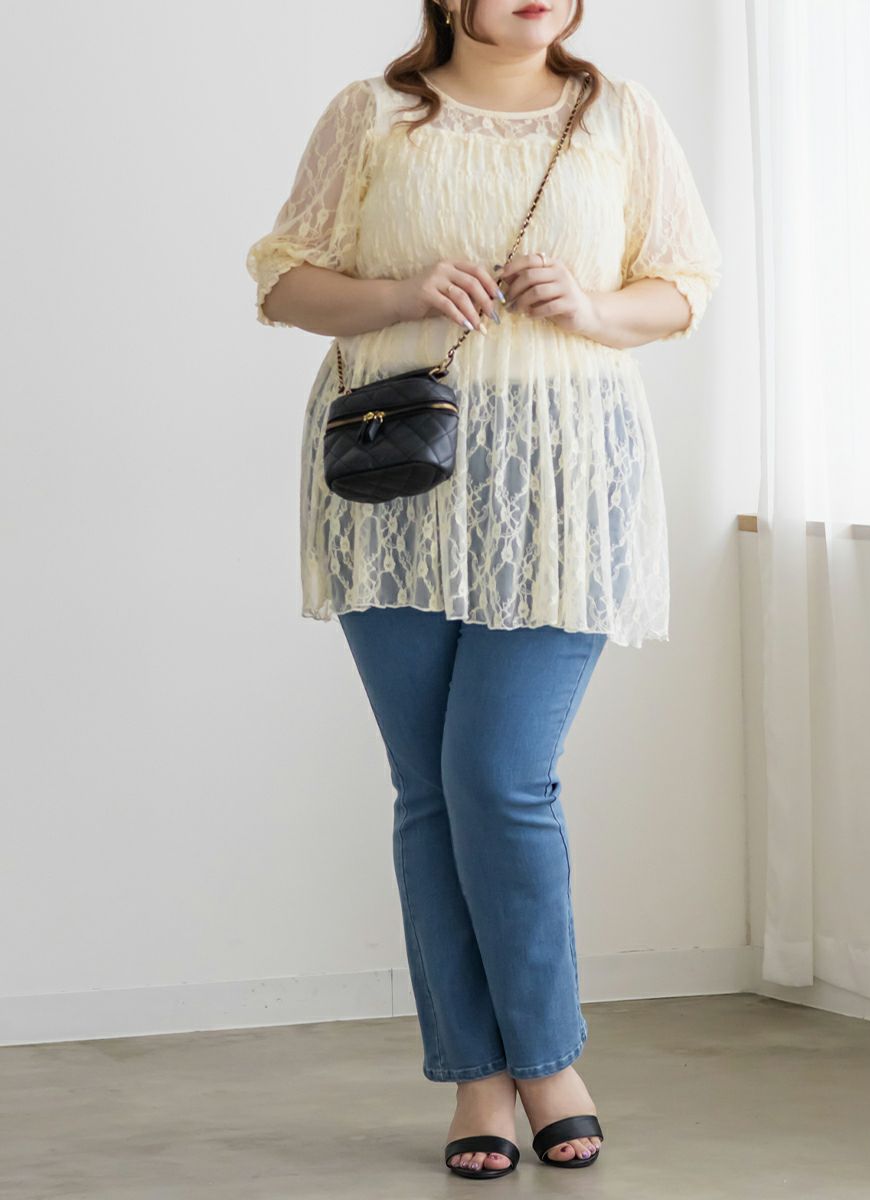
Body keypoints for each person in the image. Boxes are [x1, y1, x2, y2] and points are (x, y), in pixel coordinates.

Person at [245, 0, 721, 1181]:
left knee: (498, 778)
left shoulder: (620, 117)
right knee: (429, 790)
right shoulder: (372, 115)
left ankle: (547, 1061)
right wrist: (404, 293)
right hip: (392, 486)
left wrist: (594, 309)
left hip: (561, 489)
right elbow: (284, 281)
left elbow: (684, 285)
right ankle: (477, 1077)